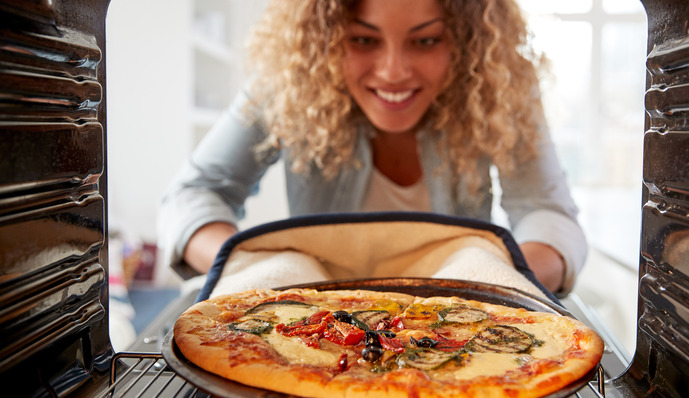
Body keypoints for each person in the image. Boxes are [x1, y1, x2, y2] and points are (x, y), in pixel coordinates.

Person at [157, 0, 587, 295]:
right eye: (363, 40)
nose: (393, 71)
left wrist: (492, 281)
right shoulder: (287, 83)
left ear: (465, 40)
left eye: (426, 40)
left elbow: (545, 212)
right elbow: (194, 195)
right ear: (324, 38)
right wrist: (259, 269)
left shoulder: (499, 87)